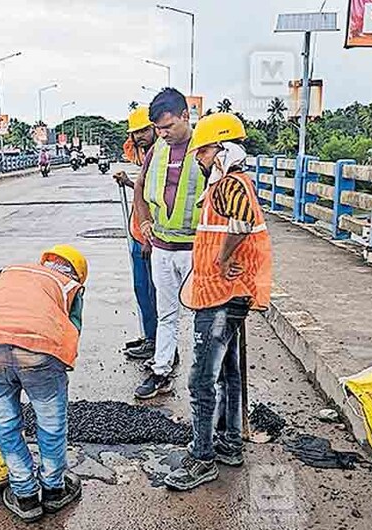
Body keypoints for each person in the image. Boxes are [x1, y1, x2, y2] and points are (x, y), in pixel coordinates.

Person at [162, 112, 272, 491]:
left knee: (201, 379)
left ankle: (203, 455)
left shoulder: (230, 184)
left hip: (223, 296)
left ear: (220, 149)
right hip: (227, 293)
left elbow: (240, 227)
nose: (198, 158)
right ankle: (228, 443)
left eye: (203, 152)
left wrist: (223, 259)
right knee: (227, 372)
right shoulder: (230, 183)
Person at [0, 245, 88, 522]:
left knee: (6, 424)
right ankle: (54, 490)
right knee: (50, 425)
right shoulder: (70, 286)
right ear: (78, 275)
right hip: (37, 354)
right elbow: (71, 331)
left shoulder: (11, 274)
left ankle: (25, 494)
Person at [130, 88, 207, 399]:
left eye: (168, 126)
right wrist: (145, 222)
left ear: (185, 116)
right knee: (167, 313)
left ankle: (206, 379)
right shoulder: (157, 150)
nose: (162, 134)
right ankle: (161, 372)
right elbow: (139, 185)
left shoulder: (206, 146)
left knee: (205, 316)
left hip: (196, 249)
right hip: (163, 248)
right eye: (158, 129)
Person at [113, 106, 160, 360]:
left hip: (148, 238)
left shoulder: (159, 155)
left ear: (154, 127)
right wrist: (129, 183)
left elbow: (156, 199)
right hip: (138, 234)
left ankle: (156, 343)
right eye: (135, 132)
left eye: (143, 130)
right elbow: (144, 191)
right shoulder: (146, 155)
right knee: (142, 289)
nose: (139, 136)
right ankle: (149, 336)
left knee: (152, 292)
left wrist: (149, 237)